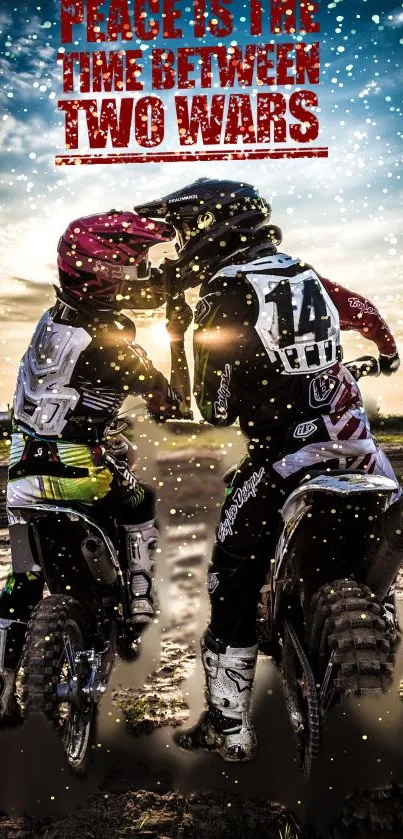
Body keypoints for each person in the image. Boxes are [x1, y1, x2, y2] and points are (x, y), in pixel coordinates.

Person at [134, 178, 401, 762]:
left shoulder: (225, 291)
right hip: (355, 450)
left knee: (226, 578)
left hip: (285, 456)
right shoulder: (303, 273)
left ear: (210, 227)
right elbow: (359, 314)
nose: (179, 245)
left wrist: (195, 349)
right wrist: (379, 353)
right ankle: (377, 619)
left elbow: (217, 408)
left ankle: (229, 730)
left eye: (184, 230)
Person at [0, 210, 183, 717]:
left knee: (23, 576)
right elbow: (160, 393)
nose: (141, 272)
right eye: (134, 263)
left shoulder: (50, 322)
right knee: (140, 499)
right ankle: (140, 601)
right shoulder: (111, 335)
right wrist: (166, 395)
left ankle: (3, 676)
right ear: (106, 269)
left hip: (22, 470)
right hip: (78, 467)